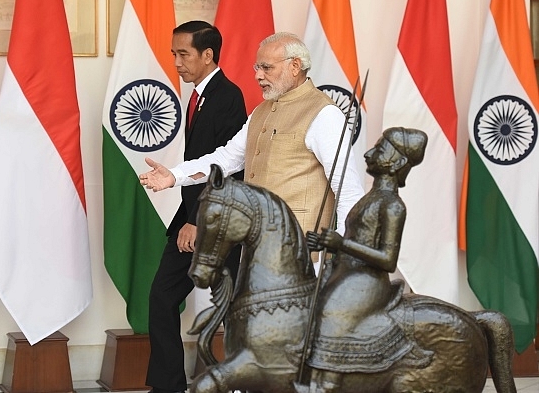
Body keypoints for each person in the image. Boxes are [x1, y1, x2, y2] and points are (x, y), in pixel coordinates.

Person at [139, 32, 364, 244]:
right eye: (257, 67)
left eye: (267, 68)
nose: (258, 75)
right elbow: (227, 159)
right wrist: (175, 176)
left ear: (295, 66)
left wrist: (343, 247)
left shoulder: (324, 113)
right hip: (256, 248)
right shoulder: (261, 111)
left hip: (301, 255)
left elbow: (348, 189)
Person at [145, 21, 247, 393]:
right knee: (161, 297)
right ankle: (168, 386)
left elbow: (226, 169)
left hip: (217, 220)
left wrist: (197, 222)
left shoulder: (227, 97)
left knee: (235, 305)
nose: (176, 62)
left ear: (208, 55)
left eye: (183, 54)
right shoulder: (199, 95)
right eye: (173, 53)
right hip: (191, 216)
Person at [302, 127, 430, 393]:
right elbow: (357, 241)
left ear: (396, 163)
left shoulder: (392, 205)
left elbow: (387, 259)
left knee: (330, 313)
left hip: (367, 282)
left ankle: (330, 379)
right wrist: (329, 246)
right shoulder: (369, 199)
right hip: (347, 275)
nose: (369, 153)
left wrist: (341, 244)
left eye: (380, 149)